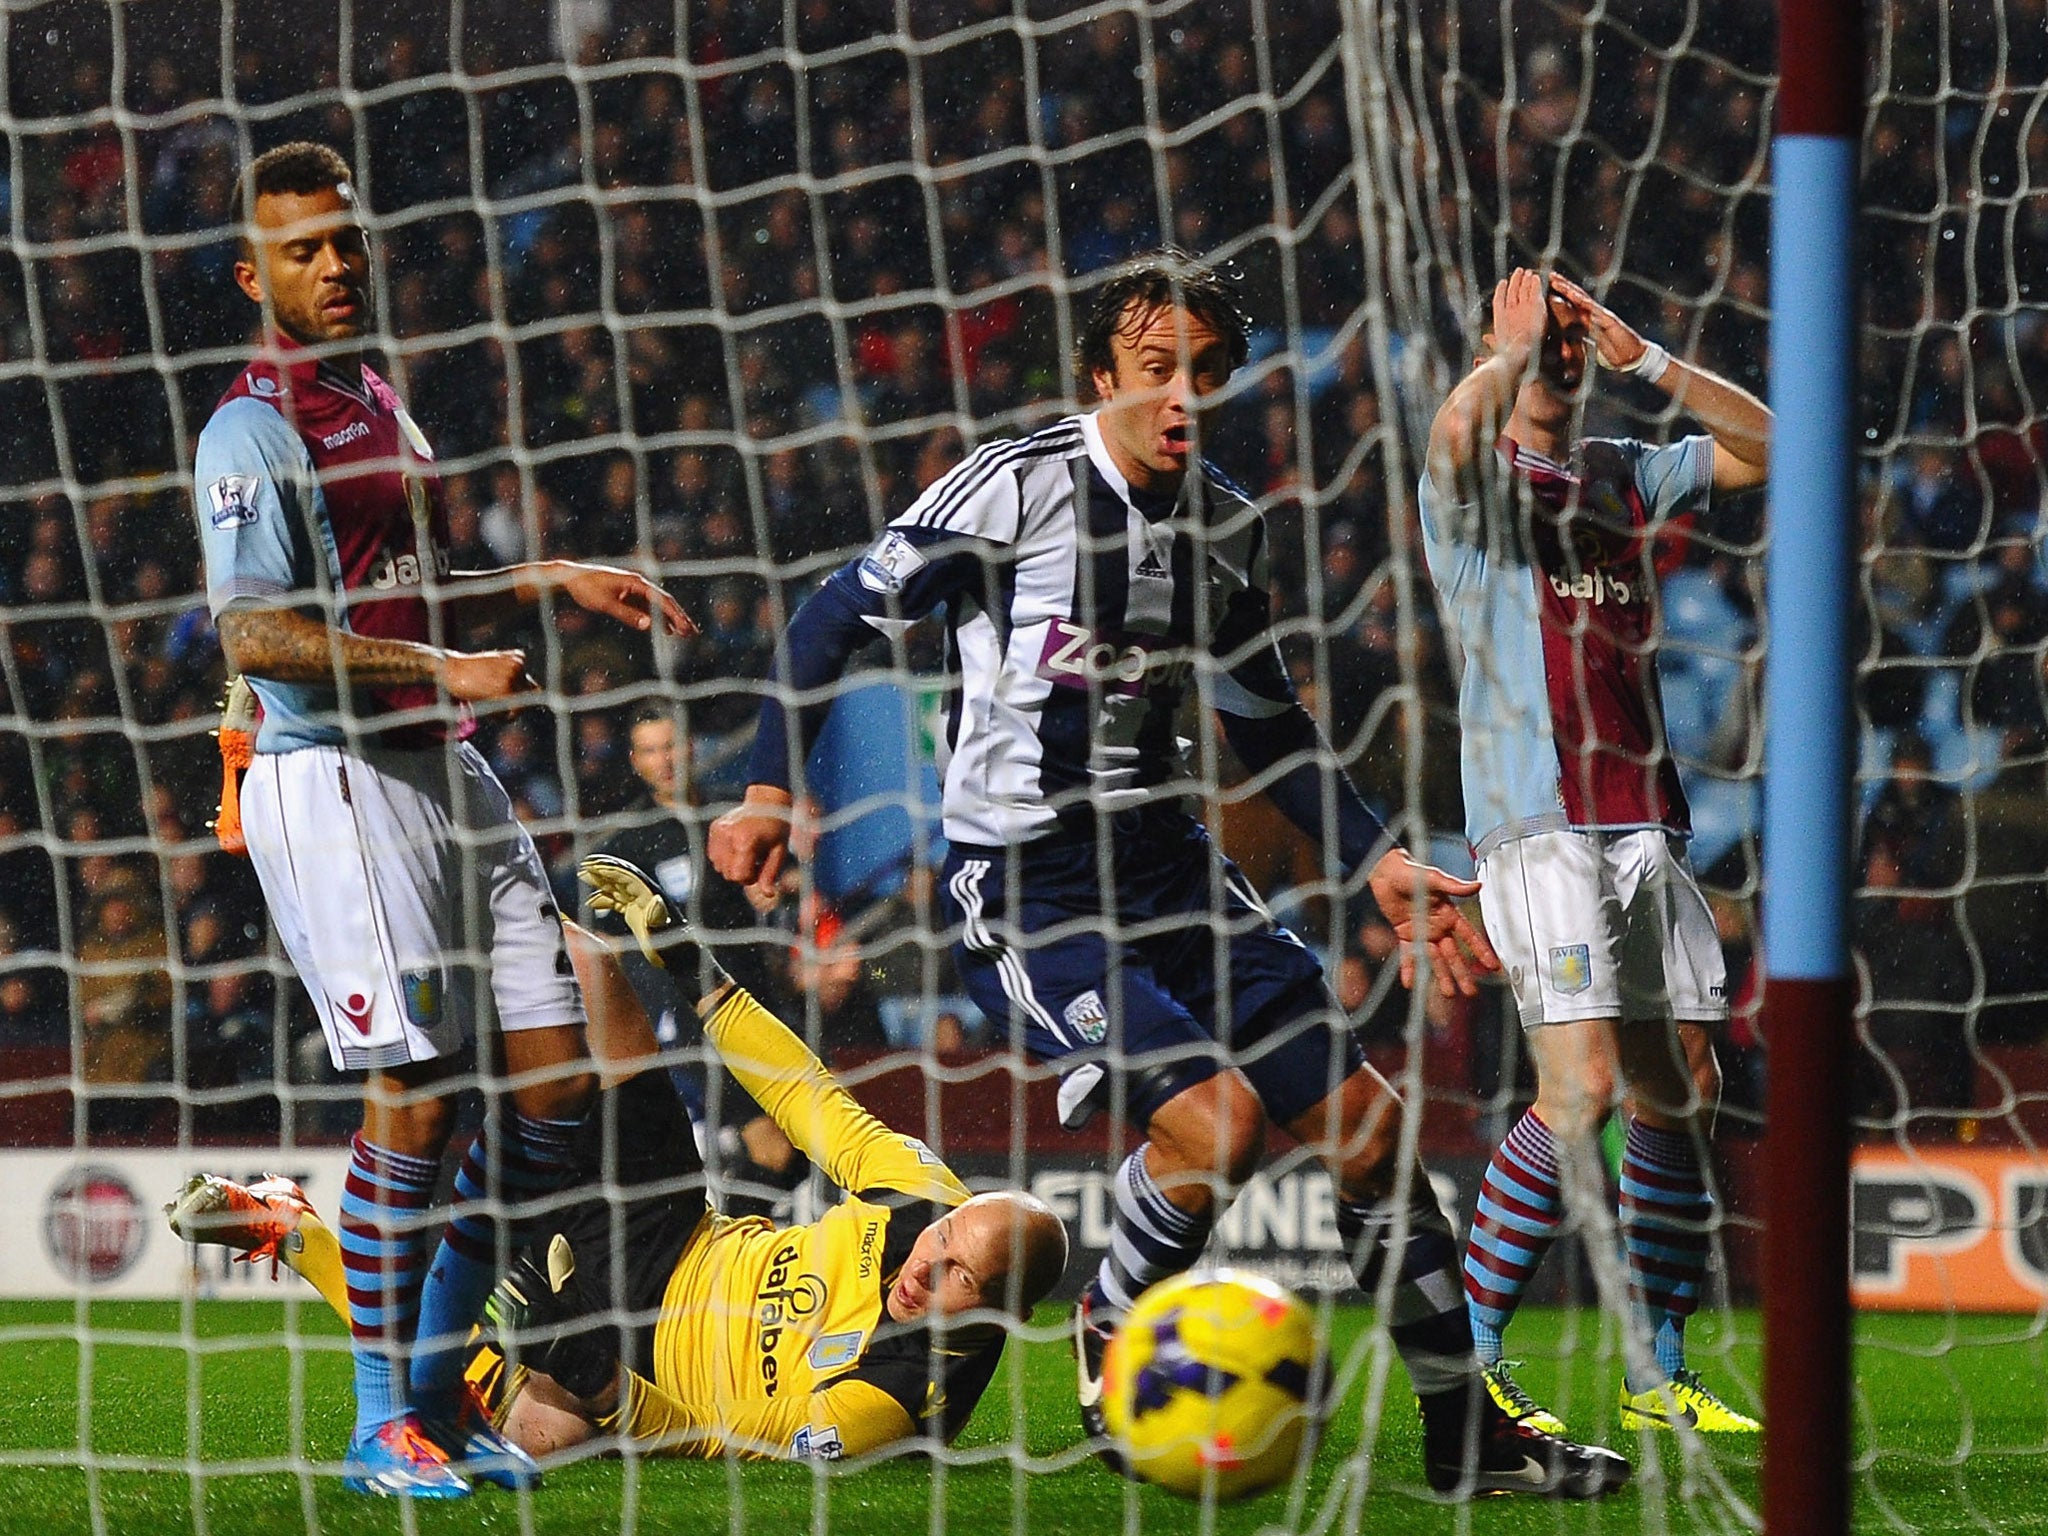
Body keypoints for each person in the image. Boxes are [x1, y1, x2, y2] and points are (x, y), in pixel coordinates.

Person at [711, 250, 1628, 1497]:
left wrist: (1373, 861)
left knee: (1368, 1140)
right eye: (1154, 371)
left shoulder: (1222, 525)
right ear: (1100, 375)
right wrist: (771, 789)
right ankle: (1115, 1317)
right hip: (1025, 889)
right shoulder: (1015, 489)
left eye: (1204, 373)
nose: (1181, 399)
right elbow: (830, 618)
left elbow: (1262, 725)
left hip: (1169, 870)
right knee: (1219, 1125)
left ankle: (1468, 1439)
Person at [191, 141, 691, 1497]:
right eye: (302, 250)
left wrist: (551, 578)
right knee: (420, 1101)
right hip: (342, 781)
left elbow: (417, 586)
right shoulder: (252, 428)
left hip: (443, 767)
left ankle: (432, 1388)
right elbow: (257, 630)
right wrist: (443, 672)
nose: (334, 264)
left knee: (550, 1086)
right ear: (257, 273)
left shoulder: (381, 406)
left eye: (346, 241)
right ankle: (377, 1424)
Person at [168, 855, 1071, 1464]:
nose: (926, 1263)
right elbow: (805, 1097)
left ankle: (296, 1234)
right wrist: (688, 963)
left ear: (1000, 1310)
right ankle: (393, 886)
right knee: (586, 966)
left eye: (957, 1275)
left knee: (518, 1430)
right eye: (945, 1239)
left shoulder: (899, 1396)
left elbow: (732, 1439)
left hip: (634, 1366)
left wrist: (596, 1375)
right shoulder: (921, 1198)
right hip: (671, 1227)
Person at [1419, 267, 1771, 1435]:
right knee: (1575, 1090)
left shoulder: (1621, 469)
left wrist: (1650, 364)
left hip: (1641, 814)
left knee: (1681, 1089)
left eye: (1569, 334)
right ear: (1501, 344)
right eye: (1542, 335)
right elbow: (1451, 432)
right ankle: (1464, 1363)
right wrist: (1509, 350)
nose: (1560, 352)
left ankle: (1651, 1369)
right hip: (1536, 820)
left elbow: (1776, 450)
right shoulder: (1474, 484)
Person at [584, 707, 806, 1216]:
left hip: (760, 1004)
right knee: (774, 1143)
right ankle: (728, 1253)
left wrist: (773, 889)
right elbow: (608, 945)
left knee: (804, 1142)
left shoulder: (731, 821)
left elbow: (783, 882)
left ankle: (732, 1227)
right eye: (650, 750)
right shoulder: (628, 844)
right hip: (693, 1022)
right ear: (636, 761)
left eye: (670, 745)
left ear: (691, 747)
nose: (663, 760)